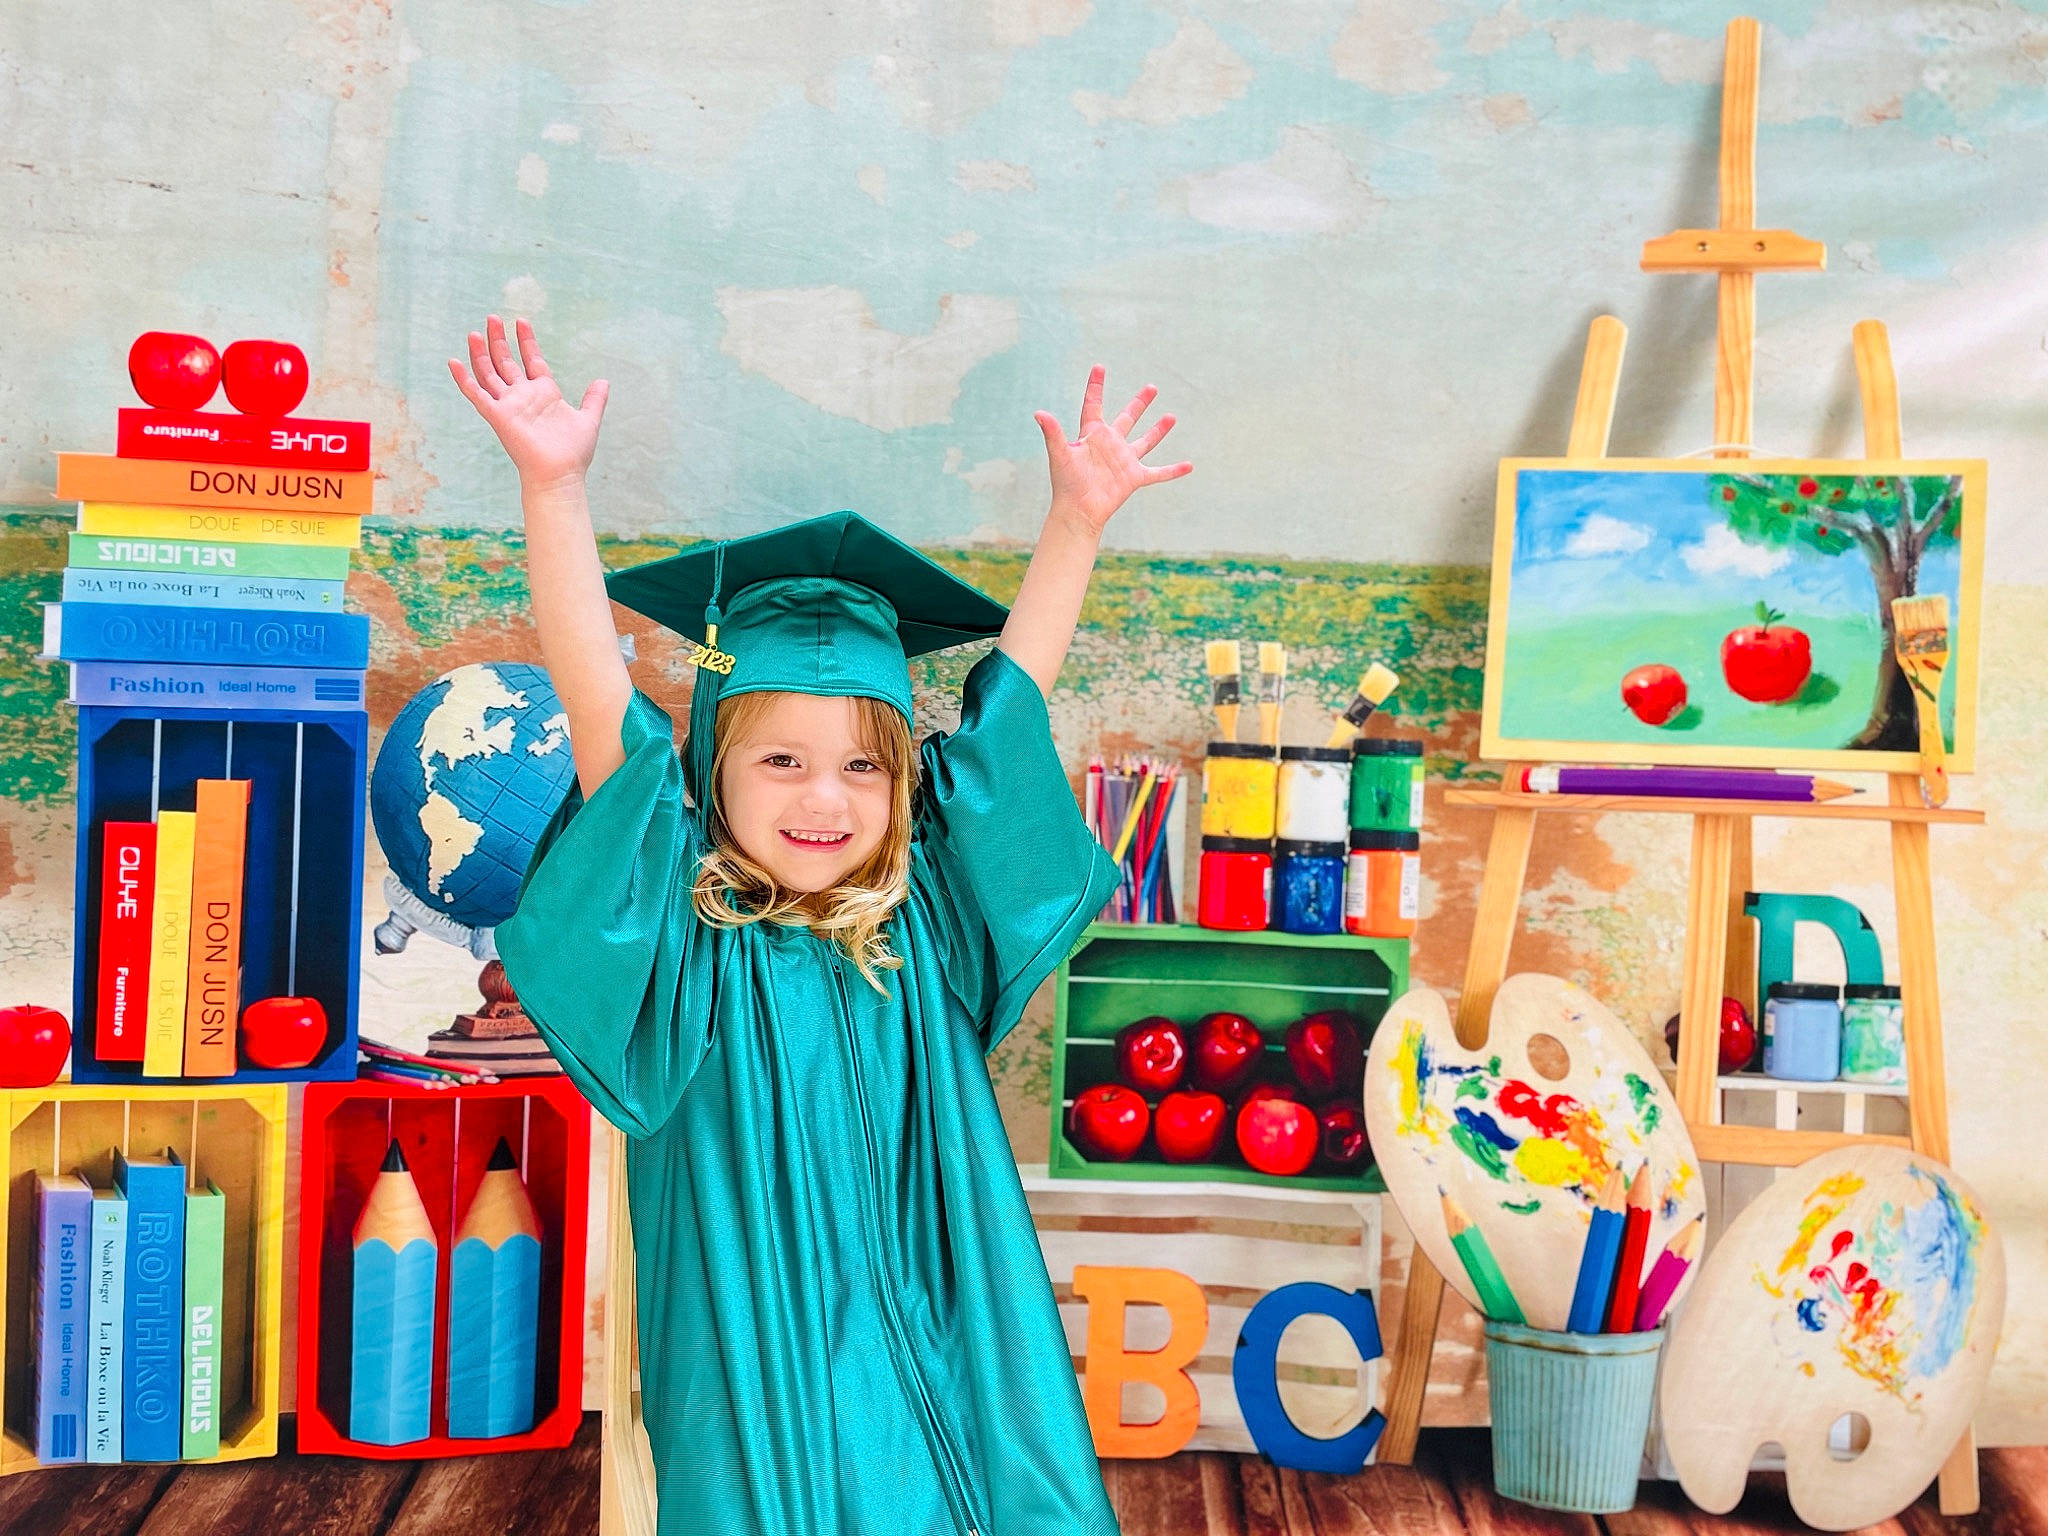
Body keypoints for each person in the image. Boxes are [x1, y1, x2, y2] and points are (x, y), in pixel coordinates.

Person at [450, 314, 1191, 1536]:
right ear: (712, 770)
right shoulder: (683, 941)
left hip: (952, 1334)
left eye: (862, 768)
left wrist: (1075, 523)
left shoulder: (929, 920)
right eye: (781, 759)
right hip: (757, 1356)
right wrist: (554, 488)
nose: (822, 798)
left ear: (900, 787)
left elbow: (1007, 716)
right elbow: (604, 720)